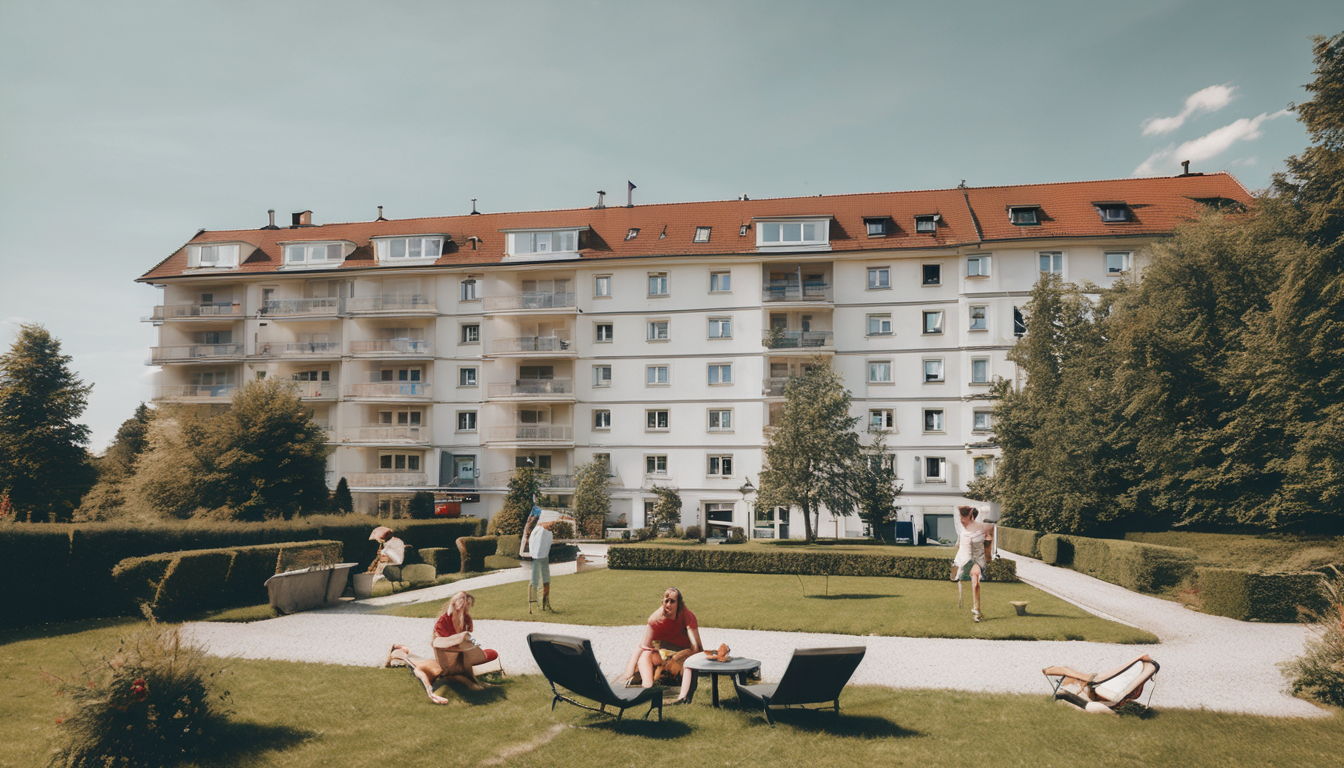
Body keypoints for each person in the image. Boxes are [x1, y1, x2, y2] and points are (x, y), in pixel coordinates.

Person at [384, 591, 499, 703]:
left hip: (451, 652)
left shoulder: (466, 619)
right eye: (465, 605)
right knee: (413, 656)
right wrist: (430, 693)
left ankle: (402, 647)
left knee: (420, 655)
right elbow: (438, 644)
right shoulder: (444, 620)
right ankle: (397, 647)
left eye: (468, 605)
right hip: (440, 650)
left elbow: (467, 636)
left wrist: (474, 644)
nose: (466, 608)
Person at [621, 587, 703, 704]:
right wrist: (627, 674)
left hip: (681, 650)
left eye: (672, 601)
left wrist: (687, 655)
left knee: (683, 661)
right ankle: (647, 686)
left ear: (679, 603)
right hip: (661, 650)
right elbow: (642, 646)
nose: (668, 604)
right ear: (662, 602)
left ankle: (681, 696)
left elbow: (697, 648)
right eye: (666, 601)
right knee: (645, 654)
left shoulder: (687, 616)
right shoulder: (655, 619)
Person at [950, 505, 995, 622]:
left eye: (963, 518)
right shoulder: (964, 532)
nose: (961, 521)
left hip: (979, 560)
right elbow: (962, 550)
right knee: (974, 582)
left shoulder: (982, 528)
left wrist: (988, 548)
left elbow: (988, 542)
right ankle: (977, 610)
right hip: (968, 559)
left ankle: (976, 610)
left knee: (976, 584)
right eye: (961, 518)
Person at [523, 515, 555, 613]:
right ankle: (533, 605)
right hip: (538, 557)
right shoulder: (539, 530)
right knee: (535, 580)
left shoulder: (544, 530)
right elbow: (536, 544)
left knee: (546, 579)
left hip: (543, 556)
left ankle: (545, 603)